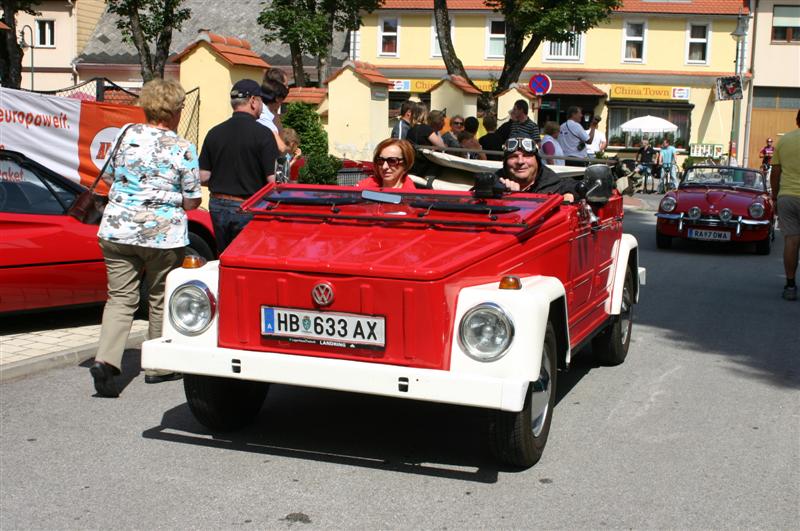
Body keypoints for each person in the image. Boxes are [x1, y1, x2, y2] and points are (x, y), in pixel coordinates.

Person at [89, 79, 202, 398]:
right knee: (159, 297)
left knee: (120, 299)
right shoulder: (182, 147)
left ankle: (107, 361)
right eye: (180, 109)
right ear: (174, 112)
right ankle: (158, 366)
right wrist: (173, 198)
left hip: (117, 229)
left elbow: (109, 176)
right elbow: (192, 199)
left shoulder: (125, 134)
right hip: (161, 235)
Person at [199, 79, 279, 252]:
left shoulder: (214, 132)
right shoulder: (264, 134)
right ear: (252, 101)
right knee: (245, 259)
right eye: (261, 102)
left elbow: (203, 176)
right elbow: (273, 180)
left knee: (223, 256)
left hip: (217, 205)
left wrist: (224, 178)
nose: (262, 107)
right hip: (247, 206)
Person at [770, 109, 800, 301]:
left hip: (788, 196)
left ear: (797, 120)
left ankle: (790, 286)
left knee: (791, 241)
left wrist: (774, 197)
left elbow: (775, 173)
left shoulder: (785, 140)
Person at [495, 136, 579, 202]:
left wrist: (570, 195)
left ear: (537, 161)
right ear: (505, 162)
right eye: (513, 156)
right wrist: (501, 192)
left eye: (527, 156)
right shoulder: (494, 183)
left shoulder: (554, 185)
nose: (520, 161)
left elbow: (580, 188)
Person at [406, 108, 447, 177]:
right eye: (442, 120)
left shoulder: (411, 129)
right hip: (425, 168)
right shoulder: (426, 129)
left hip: (413, 166)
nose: (444, 123)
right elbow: (442, 147)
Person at [258, 77, 289, 154]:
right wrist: (290, 150)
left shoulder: (261, 112)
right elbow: (281, 148)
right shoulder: (264, 117)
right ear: (278, 99)